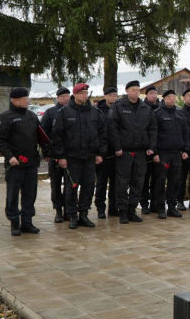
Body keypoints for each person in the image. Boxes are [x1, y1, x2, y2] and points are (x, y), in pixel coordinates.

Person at [52, 83, 106, 229]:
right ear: (74, 95)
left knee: (88, 187)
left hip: (89, 157)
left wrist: (100, 153)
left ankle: (84, 214)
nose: (84, 95)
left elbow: (102, 134)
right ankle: (72, 215)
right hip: (72, 158)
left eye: (86, 93)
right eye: (81, 93)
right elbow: (58, 137)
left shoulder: (96, 113)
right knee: (71, 188)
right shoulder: (64, 112)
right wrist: (61, 156)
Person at [0, 87, 46, 236]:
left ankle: (27, 222)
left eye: (27, 98)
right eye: (24, 98)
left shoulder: (31, 116)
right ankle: (14, 222)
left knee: (30, 194)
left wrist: (47, 150)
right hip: (15, 164)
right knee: (13, 195)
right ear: (14, 100)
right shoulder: (5, 117)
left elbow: (40, 135)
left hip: (31, 163)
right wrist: (9, 156)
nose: (27, 101)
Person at [108, 80, 157, 224]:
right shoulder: (119, 106)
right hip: (124, 152)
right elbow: (113, 128)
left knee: (138, 182)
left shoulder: (145, 108)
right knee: (122, 183)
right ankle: (122, 211)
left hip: (141, 152)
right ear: (127, 91)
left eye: (137, 90)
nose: (135, 92)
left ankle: (132, 209)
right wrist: (117, 147)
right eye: (133, 90)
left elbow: (153, 128)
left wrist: (151, 147)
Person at [153, 90, 189, 219]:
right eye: (169, 97)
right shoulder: (158, 113)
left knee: (175, 181)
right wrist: (155, 152)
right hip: (163, 153)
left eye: (174, 97)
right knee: (161, 181)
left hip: (176, 153)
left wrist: (185, 150)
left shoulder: (179, 113)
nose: (172, 99)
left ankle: (172, 207)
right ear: (164, 99)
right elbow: (154, 134)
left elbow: (185, 133)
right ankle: (161, 208)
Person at [40, 87, 70, 223]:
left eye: (68, 96)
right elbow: (43, 134)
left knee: (70, 185)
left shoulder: (73, 111)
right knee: (56, 185)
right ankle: (58, 211)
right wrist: (46, 152)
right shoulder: (50, 112)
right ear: (58, 98)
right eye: (63, 96)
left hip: (71, 155)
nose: (66, 98)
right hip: (54, 155)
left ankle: (69, 210)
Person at [94, 87, 119, 218]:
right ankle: (100, 208)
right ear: (105, 96)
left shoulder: (119, 109)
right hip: (103, 153)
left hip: (117, 152)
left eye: (115, 95)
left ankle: (113, 207)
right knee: (102, 182)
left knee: (115, 182)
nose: (113, 98)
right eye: (111, 95)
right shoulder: (98, 111)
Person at [141, 85, 160, 214]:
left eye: (155, 93)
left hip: (159, 150)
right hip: (145, 149)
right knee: (144, 178)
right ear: (146, 95)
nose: (154, 95)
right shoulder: (143, 109)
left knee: (157, 178)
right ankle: (144, 204)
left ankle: (155, 202)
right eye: (151, 93)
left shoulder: (160, 109)